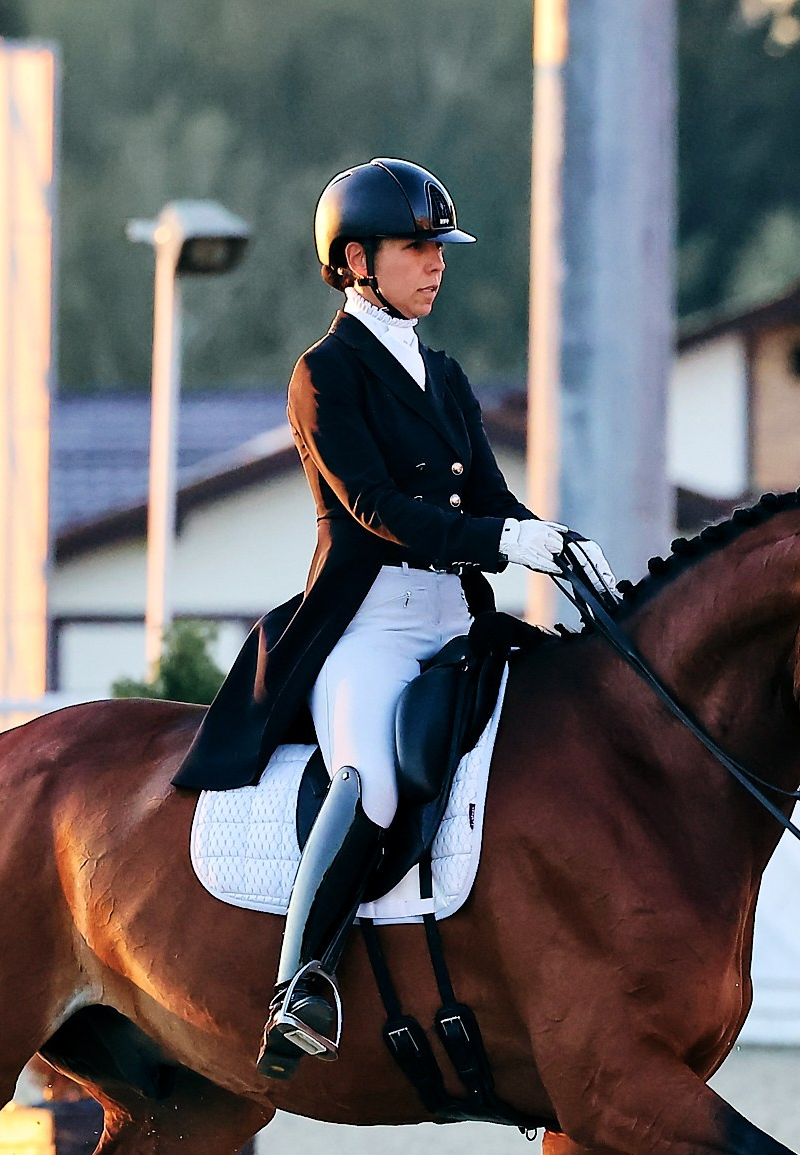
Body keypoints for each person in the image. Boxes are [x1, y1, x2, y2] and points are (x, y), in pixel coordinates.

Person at [171, 158, 616, 1076]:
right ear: (356, 261)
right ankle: (300, 983)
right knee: (370, 778)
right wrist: (502, 539)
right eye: (416, 248)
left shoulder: (443, 375)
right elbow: (375, 507)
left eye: (439, 248)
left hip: (456, 618)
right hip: (368, 625)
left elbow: (489, 497)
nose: (436, 263)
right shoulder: (324, 373)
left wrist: (555, 541)